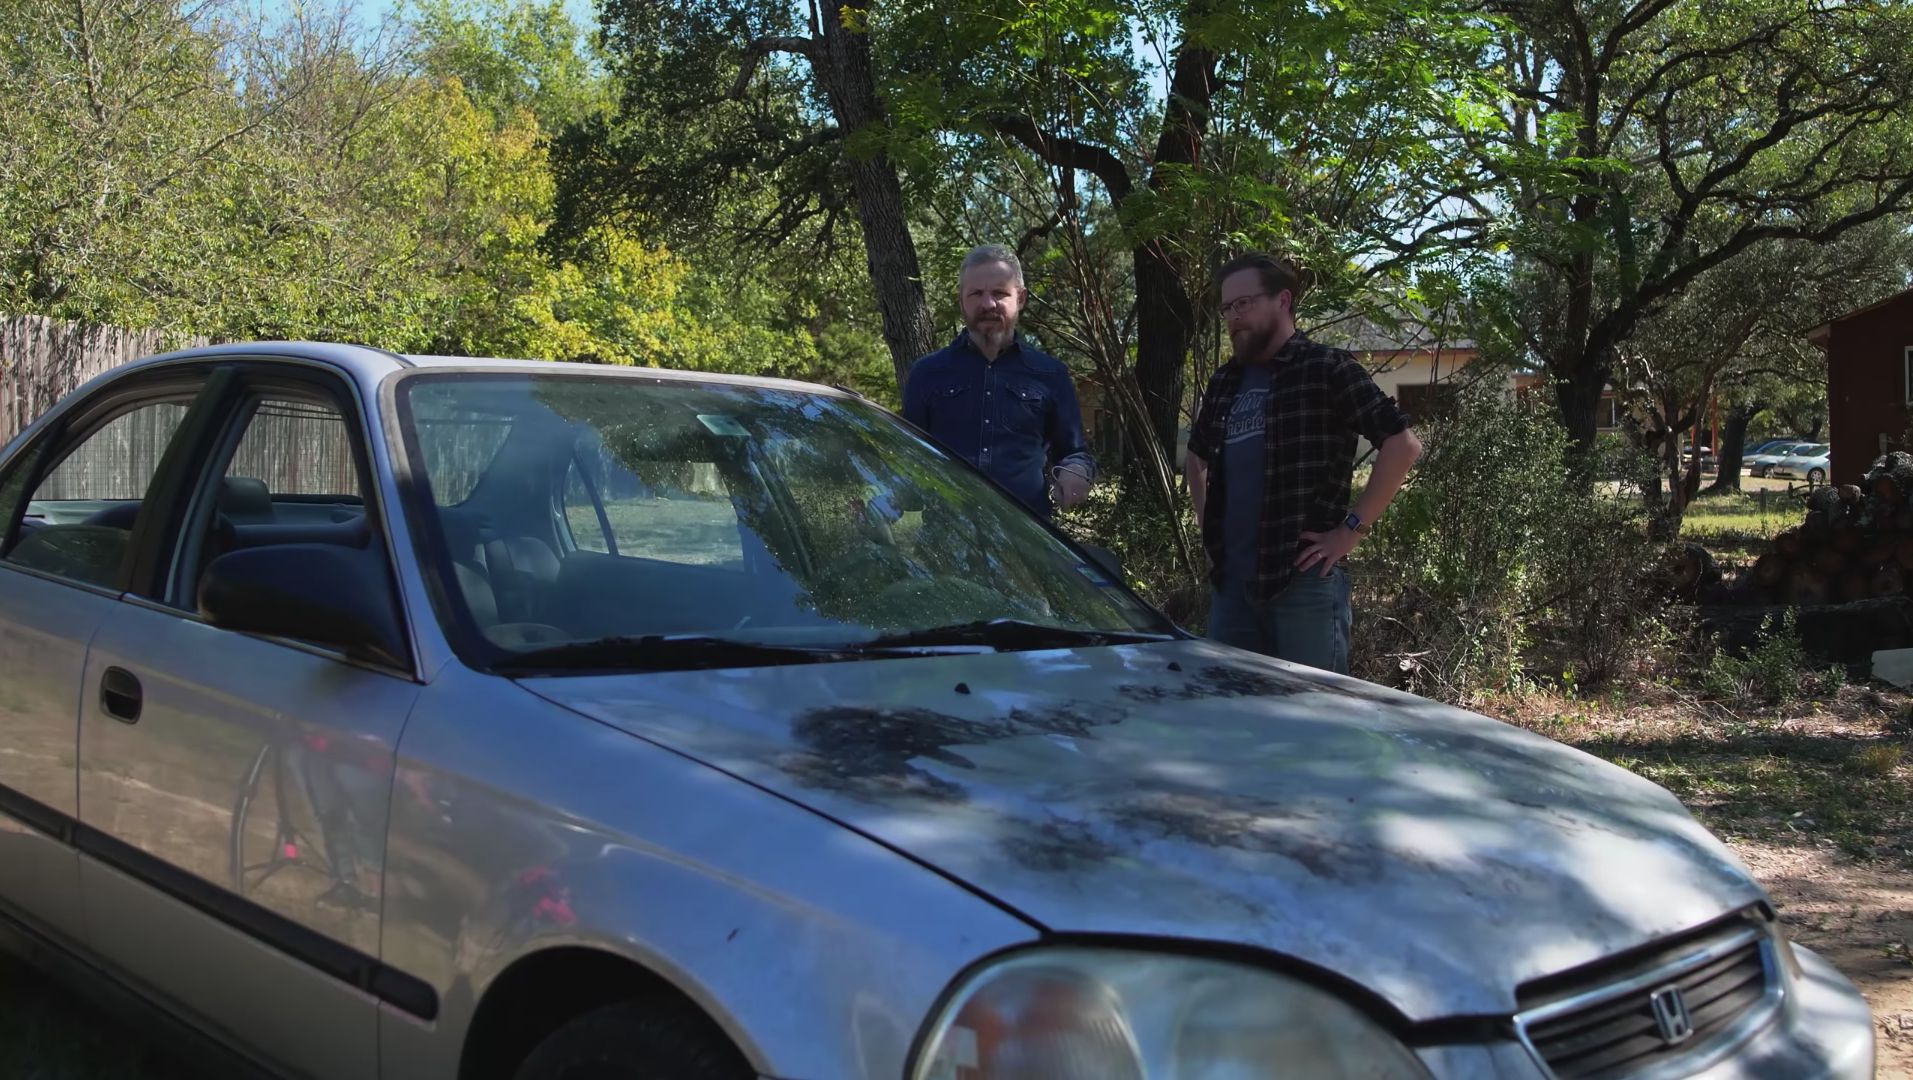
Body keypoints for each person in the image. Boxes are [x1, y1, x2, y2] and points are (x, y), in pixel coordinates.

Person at [1185, 253, 1423, 674]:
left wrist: (1352, 529)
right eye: (1226, 308)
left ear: (1282, 300)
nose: (1233, 317)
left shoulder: (1326, 368)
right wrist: (1208, 532)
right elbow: (1197, 456)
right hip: (1232, 589)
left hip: (1305, 585)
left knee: (1315, 720)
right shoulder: (1225, 381)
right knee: (1229, 717)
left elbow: (1402, 445)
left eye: (1244, 303)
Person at [902, 245, 1096, 519]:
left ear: (1021, 298)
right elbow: (908, 460)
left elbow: (1074, 452)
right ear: (961, 301)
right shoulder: (926, 373)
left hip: (1028, 542)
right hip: (945, 543)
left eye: (999, 293)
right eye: (976, 293)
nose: (988, 304)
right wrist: (883, 506)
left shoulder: (1051, 374)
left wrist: (1076, 471)